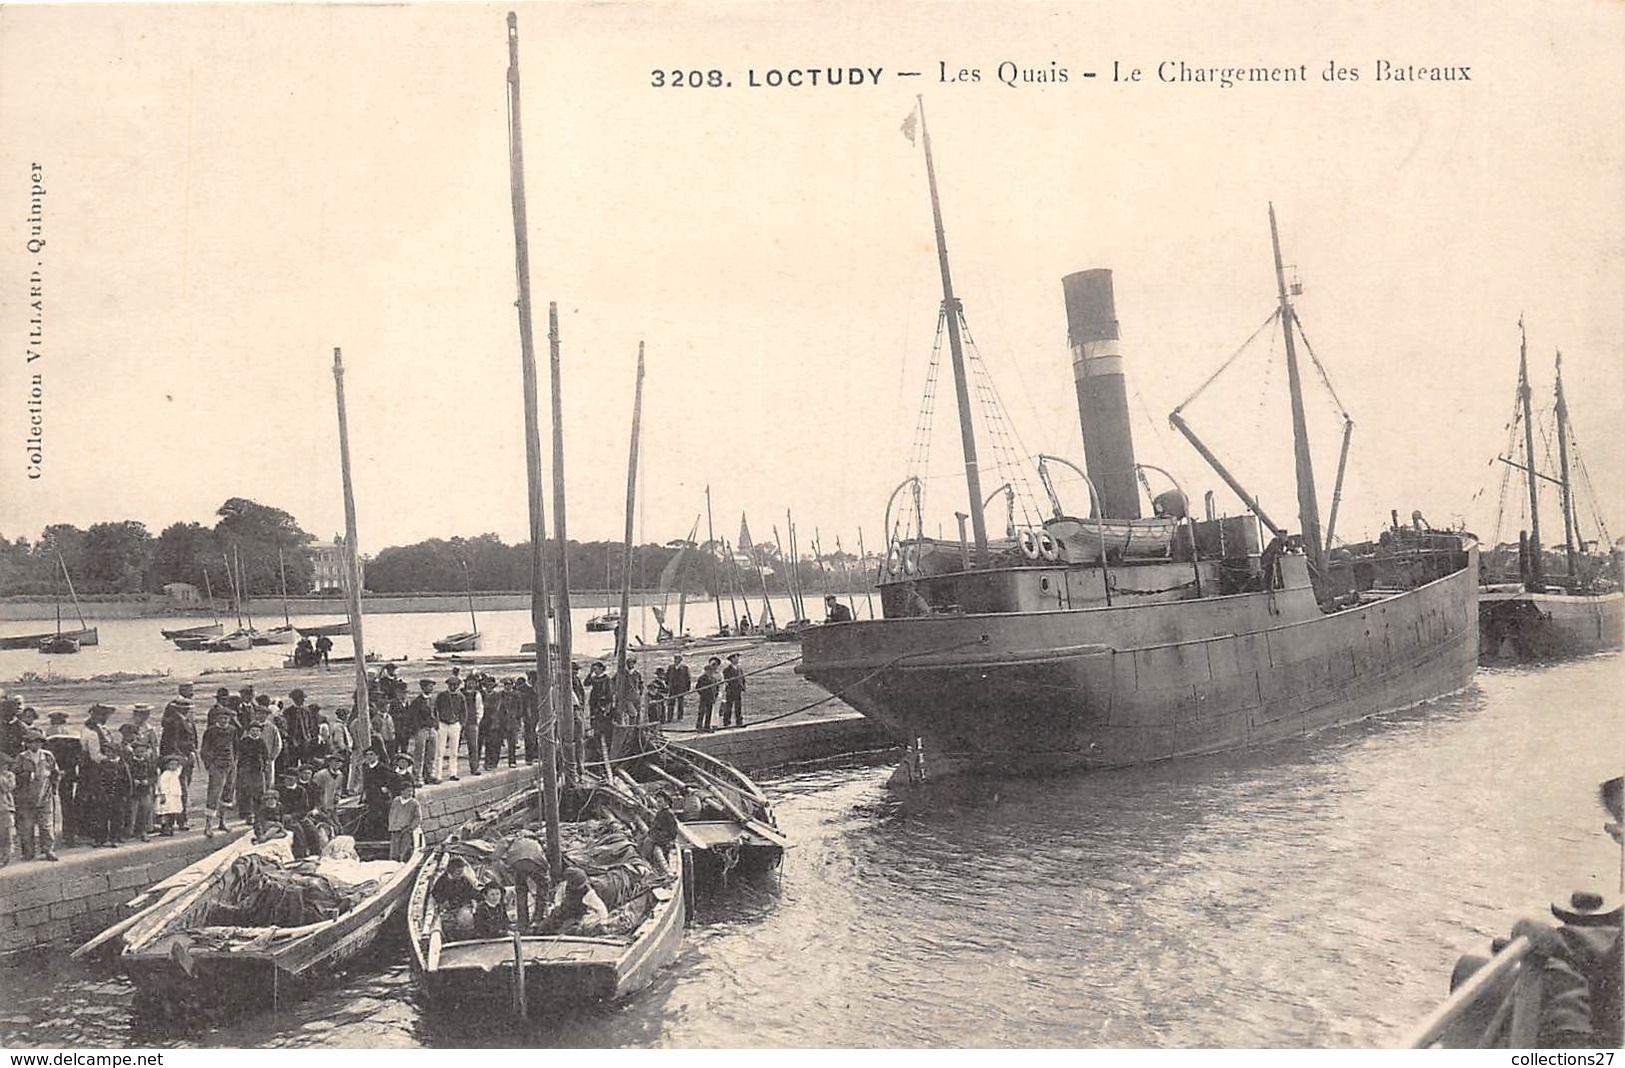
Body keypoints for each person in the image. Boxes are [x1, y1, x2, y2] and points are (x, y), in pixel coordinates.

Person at [12, 728, 59, 861]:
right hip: (26, 798)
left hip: (45, 796)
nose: (34, 745)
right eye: (31, 742)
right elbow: (14, 775)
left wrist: (54, 789)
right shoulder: (21, 757)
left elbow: (55, 774)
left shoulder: (48, 756)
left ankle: (48, 850)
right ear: (26, 743)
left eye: (37, 742)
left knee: (47, 825)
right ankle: (28, 852)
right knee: (26, 827)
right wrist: (25, 776)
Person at [158, 695, 198, 830]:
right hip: (178, 761)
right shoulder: (173, 723)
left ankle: (179, 819)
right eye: (183, 708)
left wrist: (192, 752)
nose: (186, 710)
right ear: (177, 709)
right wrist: (182, 757)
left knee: (182, 789)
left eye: (187, 708)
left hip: (187, 758)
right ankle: (180, 820)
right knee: (178, 790)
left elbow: (193, 740)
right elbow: (172, 744)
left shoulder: (188, 721)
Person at [42, 711, 80, 847]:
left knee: (49, 804)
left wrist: (55, 770)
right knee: (68, 804)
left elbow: (46, 756)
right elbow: (77, 755)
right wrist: (68, 769)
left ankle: (49, 837)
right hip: (68, 773)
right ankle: (69, 836)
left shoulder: (48, 734)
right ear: (65, 720)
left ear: (52, 721)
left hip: (51, 774)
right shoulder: (72, 733)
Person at [536, 867, 609, 935]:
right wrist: (557, 905)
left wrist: (603, 924)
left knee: (565, 932)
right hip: (561, 913)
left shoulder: (588, 893)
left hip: (574, 918)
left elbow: (602, 908)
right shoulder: (565, 885)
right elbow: (558, 895)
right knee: (543, 927)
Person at [200, 705, 236, 838]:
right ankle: (208, 825)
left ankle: (222, 821)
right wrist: (210, 765)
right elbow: (204, 750)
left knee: (227, 794)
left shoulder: (233, 730)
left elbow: (236, 748)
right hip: (217, 766)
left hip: (230, 765)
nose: (224, 720)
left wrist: (233, 763)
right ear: (217, 718)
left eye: (226, 718)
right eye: (221, 718)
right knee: (214, 794)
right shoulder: (210, 731)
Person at [431, 854, 481, 936]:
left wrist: (476, 901)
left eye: (462, 872)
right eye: (458, 872)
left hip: (465, 905)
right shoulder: (442, 882)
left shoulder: (464, 880)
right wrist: (444, 902)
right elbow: (436, 895)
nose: (461, 875)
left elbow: (473, 892)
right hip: (452, 908)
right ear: (450, 871)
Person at [234, 722, 269, 824]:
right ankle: (246, 813)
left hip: (258, 769)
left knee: (258, 791)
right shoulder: (244, 741)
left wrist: (265, 764)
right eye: (253, 730)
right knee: (246, 791)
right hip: (246, 769)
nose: (255, 733)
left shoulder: (261, 742)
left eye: (257, 731)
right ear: (249, 731)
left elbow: (265, 755)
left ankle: (258, 813)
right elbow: (239, 755)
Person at [407, 679, 439, 785]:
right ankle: (417, 777)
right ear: (423, 687)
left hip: (432, 729)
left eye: (432, 686)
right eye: (429, 686)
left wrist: (435, 725)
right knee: (419, 754)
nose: (431, 688)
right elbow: (412, 717)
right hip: (422, 730)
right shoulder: (417, 701)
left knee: (431, 754)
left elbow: (435, 713)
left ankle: (429, 775)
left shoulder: (433, 700)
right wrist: (417, 729)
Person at [435, 676, 466, 782]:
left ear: (458, 686)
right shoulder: (441, 696)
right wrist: (437, 723)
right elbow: (436, 709)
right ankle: (438, 774)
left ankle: (453, 773)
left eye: (455, 685)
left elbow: (464, 712)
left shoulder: (461, 696)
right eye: (451, 685)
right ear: (448, 685)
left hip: (455, 725)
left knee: (454, 751)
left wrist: (461, 724)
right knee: (440, 751)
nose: (453, 687)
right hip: (443, 724)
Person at [125, 738, 157, 840]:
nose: (141, 754)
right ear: (134, 751)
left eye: (143, 752)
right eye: (138, 751)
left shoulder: (148, 762)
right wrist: (133, 781)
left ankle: (143, 831)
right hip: (133, 791)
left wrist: (148, 781)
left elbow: (154, 775)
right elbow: (126, 775)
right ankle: (129, 831)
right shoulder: (130, 762)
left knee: (145, 810)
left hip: (145, 790)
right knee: (132, 812)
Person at [359, 749, 393, 840]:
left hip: (381, 796)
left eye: (371, 754)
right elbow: (365, 783)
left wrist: (386, 787)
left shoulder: (383, 767)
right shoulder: (365, 768)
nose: (369, 757)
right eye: (367, 755)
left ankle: (386, 836)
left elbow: (392, 779)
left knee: (384, 816)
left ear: (377, 756)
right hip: (371, 796)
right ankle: (372, 836)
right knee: (372, 816)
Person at [387, 777, 421, 861]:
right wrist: (392, 826)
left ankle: (403, 862)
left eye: (411, 791)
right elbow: (392, 814)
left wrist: (410, 828)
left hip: (406, 829)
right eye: (408, 791)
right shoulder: (396, 801)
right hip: (395, 829)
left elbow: (417, 817)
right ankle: (393, 863)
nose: (410, 793)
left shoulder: (414, 803)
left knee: (404, 849)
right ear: (402, 791)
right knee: (394, 850)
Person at [154, 755, 186, 836]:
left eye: (175, 765)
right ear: (167, 765)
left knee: (173, 812)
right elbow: (162, 785)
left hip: (174, 795)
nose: (173, 766)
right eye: (171, 764)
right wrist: (163, 794)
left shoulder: (176, 773)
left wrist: (182, 759)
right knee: (165, 812)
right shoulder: (165, 774)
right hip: (167, 795)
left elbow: (181, 766)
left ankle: (170, 827)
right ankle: (165, 827)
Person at [462, 676, 484, 776]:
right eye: (469, 682)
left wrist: (477, 721)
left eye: (473, 683)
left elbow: (479, 709)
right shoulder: (460, 693)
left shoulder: (477, 694)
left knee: (473, 746)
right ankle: (452, 771)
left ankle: (474, 768)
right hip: (459, 722)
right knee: (454, 747)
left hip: (472, 722)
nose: (471, 684)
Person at [721, 653, 747, 728]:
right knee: (729, 706)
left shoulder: (739, 668)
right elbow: (726, 680)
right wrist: (728, 686)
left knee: (738, 706)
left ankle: (739, 721)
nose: (738, 659)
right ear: (732, 659)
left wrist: (743, 686)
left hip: (738, 689)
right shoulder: (727, 669)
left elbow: (743, 678)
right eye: (736, 657)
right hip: (731, 690)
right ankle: (726, 721)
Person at [696, 658, 721, 732]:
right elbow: (698, 688)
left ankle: (707, 726)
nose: (710, 672)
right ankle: (699, 726)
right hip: (704, 698)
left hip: (711, 698)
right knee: (701, 712)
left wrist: (715, 695)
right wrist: (703, 694)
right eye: (708, 671)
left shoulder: (714, 679)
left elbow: (716, 688)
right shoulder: (702, 678)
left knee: (709, 713)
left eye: (711, 671)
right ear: (706, 671)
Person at [0, 751, 14, 866]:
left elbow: (7, 788)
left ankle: (6, 855)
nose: (4, 767)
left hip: (5, 807)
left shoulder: (9, 775)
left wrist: (1, 777)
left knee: (6, 832)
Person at [667, 655, 691, 721]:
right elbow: (667, 677)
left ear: (680, 660)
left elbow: (688, 678)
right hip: (672, 688)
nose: (676, 660)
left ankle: (680, 717)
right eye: (675, 659)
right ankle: (669, 718)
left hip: (681, 688)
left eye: (678, 659)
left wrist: (687, 688)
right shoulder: (670, 667)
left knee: (680, 703)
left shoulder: (685, 668)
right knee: (671, 703)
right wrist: (668, 685)